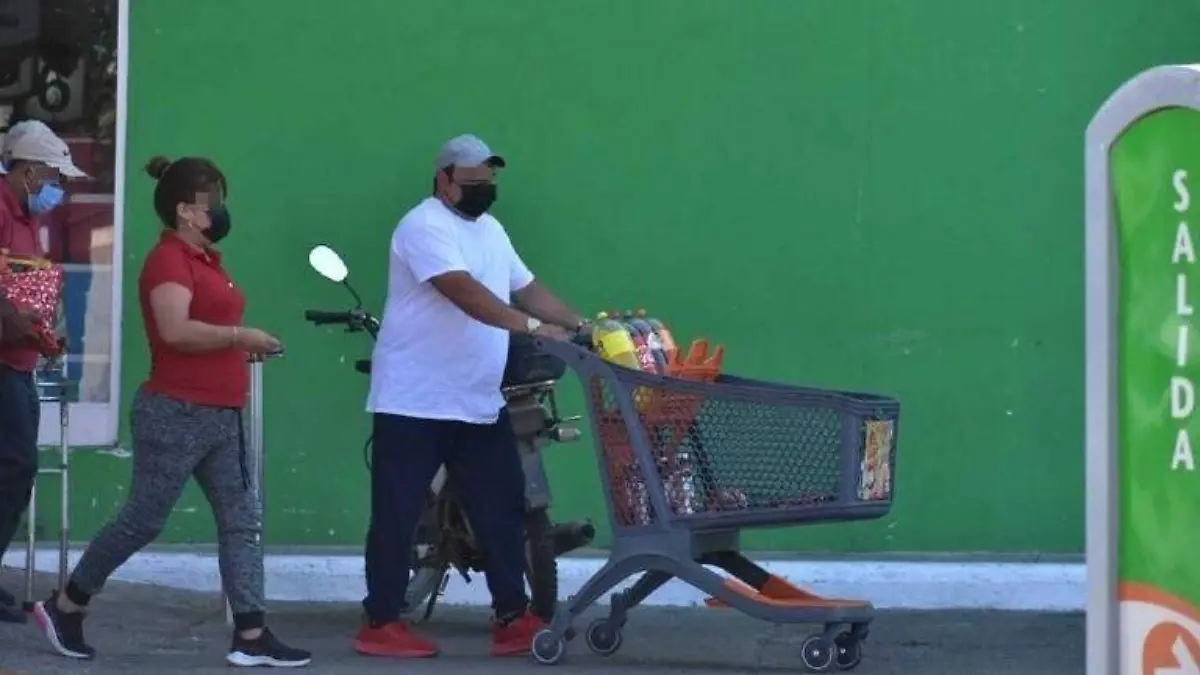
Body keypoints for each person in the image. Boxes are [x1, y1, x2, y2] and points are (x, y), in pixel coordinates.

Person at [31, 156, 312, 668]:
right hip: (176, 411)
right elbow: (175, 330)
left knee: (241, 521)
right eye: (213, 203)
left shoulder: (207, 262)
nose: (221, 211)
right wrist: (239, 336)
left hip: (223, 413)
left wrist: (246, 347)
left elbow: (207, 330)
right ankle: (66, 604)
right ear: (186, 211)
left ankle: (251, 633)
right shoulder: (168, 262)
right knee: (143, 519)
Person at [356, 134, 587, 659]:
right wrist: (532, 327)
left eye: (489, 180)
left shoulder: (491, 230)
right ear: (444, 179)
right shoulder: (422, 226)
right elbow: (464, 293)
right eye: (473, 181)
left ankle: (512, 616)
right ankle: (381, 621)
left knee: (502, 505)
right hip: (415, 401)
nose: (484, 188)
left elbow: (527, 287)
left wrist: (580, 324)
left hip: (476, 398)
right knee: (398, 512)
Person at [0, 120, 84, 624]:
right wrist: (26, 325)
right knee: (14, 466)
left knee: (16, 470)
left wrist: (47, 331)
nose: (59, 187)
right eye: (54, 176)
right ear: (29, 171)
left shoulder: (27, 219)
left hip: (19, 361)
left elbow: (27, 288)